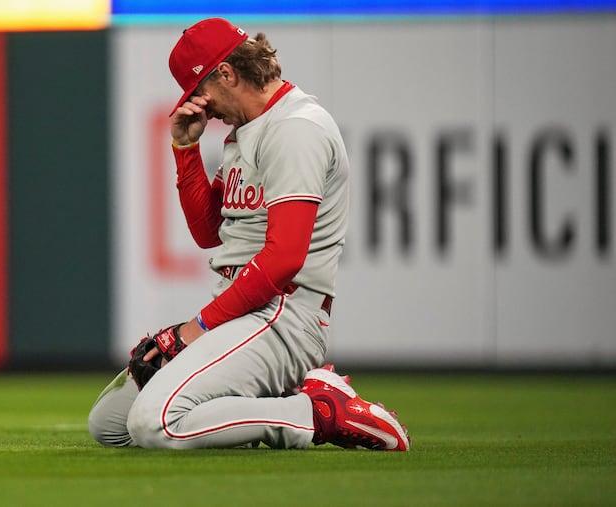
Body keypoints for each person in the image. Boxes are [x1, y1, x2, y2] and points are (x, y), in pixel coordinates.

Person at [88, 17, 410, 451]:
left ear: (225, 72)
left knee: (153, 425)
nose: (201, 104)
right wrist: (185, 151)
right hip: (242, 312)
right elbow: (208, 232)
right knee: (110, 424)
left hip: (283, 315)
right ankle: (265, 405)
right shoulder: (245, 132)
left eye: (199, 89)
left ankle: (318, 412)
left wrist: (193, 330)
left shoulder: (296, 129)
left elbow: (283, 261)